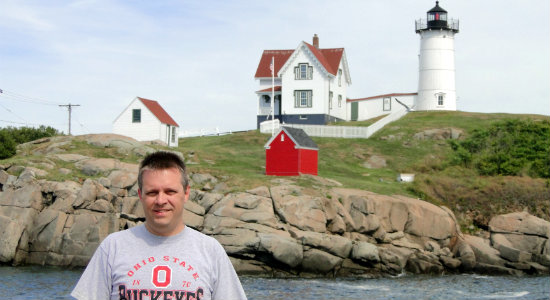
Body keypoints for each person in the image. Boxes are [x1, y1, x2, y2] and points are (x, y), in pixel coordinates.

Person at [71, 151, 247, 300]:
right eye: (152, 192)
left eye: (170, 191)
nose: (161, 200)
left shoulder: (211, 251)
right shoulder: (113, 247)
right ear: (140, 194)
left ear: (186, 193)